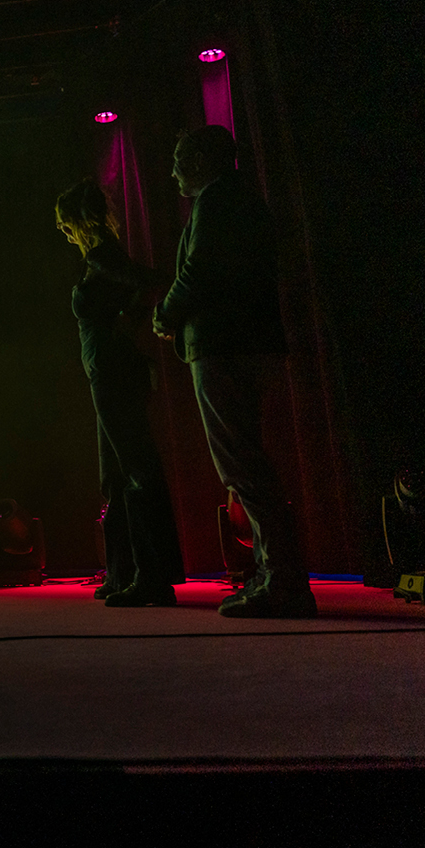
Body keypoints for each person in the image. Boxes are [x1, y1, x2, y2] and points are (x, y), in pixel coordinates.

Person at [152, 125, 317, 618]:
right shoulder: (243, 200)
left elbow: (199, 271)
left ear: (202, 162)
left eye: (179, 160)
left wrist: (165, 315)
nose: (173, 171)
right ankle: (274, 574)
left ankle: (281, 580)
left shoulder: (216, 201)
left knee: (241, 465)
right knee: (248, 462)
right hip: (249, 345)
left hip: (223, 349)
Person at [55, 179, 185, 607]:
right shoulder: (101, 256)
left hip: (113, 372)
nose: (61, 231)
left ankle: (150, 577)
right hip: (108, 371)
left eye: (64, 222)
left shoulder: (101, 256)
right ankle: (124, 571)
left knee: (133, 471)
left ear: (79, 221)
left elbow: (151, 282)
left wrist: (128, 323)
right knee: (117, 475)